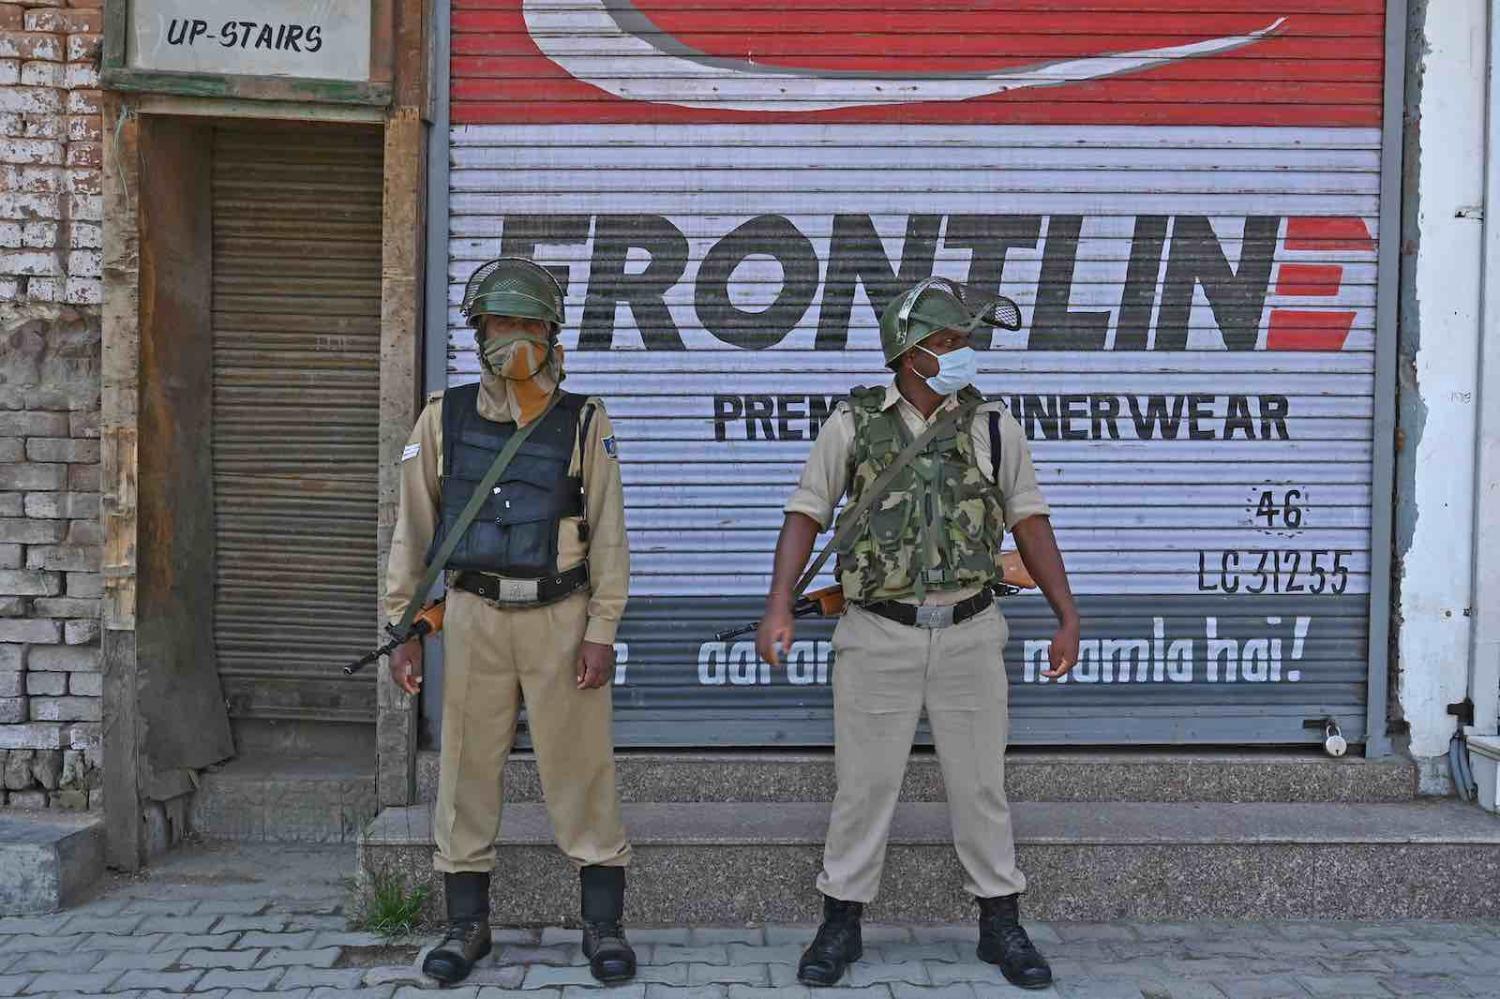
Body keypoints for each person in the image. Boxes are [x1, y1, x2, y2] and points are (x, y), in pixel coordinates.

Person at [755, 278, 1081, 990]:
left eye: (963, 340)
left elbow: (1030, 521)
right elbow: (805, 514)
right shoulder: (854, 423)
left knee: (981, 786)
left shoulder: (995, 426)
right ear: (908, 352)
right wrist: (779, 604)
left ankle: (1000, 923)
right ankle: (840, 921)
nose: (960, 352)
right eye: (945, 341)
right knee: (863, 788)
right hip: (878, 634)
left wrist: (1067, 612)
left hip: (970, 628)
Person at [384, 257, 636, 985]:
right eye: (502, 323)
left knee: (582, 770)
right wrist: (407, 628)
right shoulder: (444, 416)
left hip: (561, 615)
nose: (515, 338)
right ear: (479, 332)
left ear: (554, 334)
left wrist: (602, 629)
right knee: (464, 768)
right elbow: (414, 529)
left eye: (529, 324)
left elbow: (610, 534)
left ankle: (602, 926)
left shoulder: (584, 420)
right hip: (473, 615)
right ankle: (467, 925)